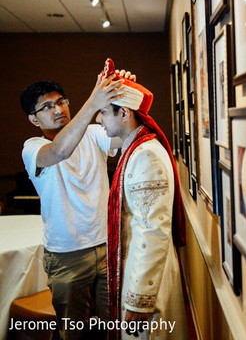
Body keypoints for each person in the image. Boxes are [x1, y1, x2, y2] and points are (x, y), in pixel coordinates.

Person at [20, 70, 131, 340]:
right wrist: (93, 102)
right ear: (34, 119)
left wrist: (125, 94)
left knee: (113, 327)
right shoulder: (33, 147)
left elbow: (130, 135)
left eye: (61, 101)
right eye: (47, 107)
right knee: (74, 332)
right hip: (66, 256)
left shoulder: (94, 133)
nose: (58, 109)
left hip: (106, 247)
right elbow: (60, 151)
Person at [95, 69, 188, 340]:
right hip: (138, 265)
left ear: (124, 113)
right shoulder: (135, 147)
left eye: (102, 112)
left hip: (145, 279)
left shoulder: (145, 154)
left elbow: (153, 230)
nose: (98, 118)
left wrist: (139, 301)